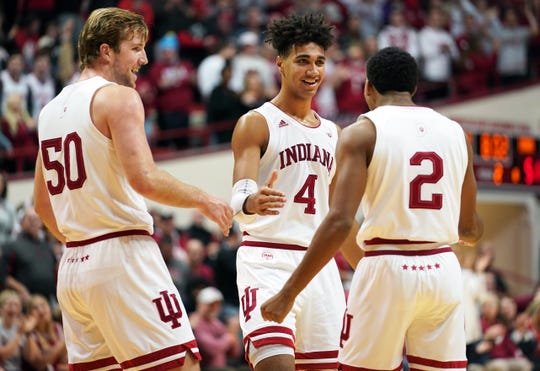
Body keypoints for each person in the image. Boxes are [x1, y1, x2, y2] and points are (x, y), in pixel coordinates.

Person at [33, 7, 233, 371]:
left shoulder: (49, 112)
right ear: (106, 51)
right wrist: (205, 199)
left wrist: (85, 240)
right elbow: (144, 178)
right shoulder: (117, 97)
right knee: (182, 365)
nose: (144, 59)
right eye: (136, 48)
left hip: (74, 267)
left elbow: (42, 204)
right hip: (122, 255)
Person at [261, 46, 484, 370]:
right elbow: (469, 230)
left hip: (386, 266)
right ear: (414, 88)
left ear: (368, 88)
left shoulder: (360, 132)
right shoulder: (458, 135)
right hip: (443, 270)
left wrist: (288, 293)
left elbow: (339, 222)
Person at [230, 13, 362, 371]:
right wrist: (251, 201)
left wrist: (370, 271)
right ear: (281, 63)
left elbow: (340, 219)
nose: (313, 70)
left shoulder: (335, 134)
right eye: (302, 60)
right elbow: (238, 201)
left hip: (319, 268)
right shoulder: (256, 123)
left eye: (319, 62)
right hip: (266, 261)